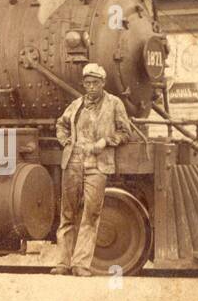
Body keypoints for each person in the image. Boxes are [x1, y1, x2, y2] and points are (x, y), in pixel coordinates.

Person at [52, 63, 137, 277]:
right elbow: (61, 124)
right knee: (67, 213)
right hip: (73, 162)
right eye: (87, 83)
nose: (90, 87)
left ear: (103, 83)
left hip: (97, 164)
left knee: (91, 213)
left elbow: (125, 132)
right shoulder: (76, 104)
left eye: (95, 83)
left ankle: (80, 264)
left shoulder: (114, 104)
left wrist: (106, 141)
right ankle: (63, 263)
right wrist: (65, 141)